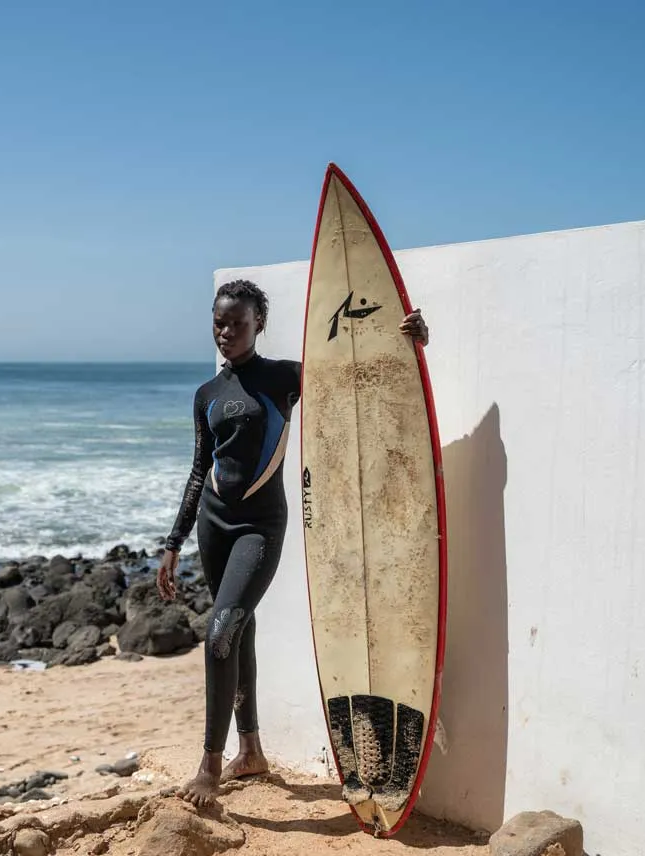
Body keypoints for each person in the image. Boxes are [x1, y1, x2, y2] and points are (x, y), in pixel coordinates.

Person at [156, 278, 429, 808]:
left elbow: (357, 378)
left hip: (260, 526)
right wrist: (173, 542)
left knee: (219, 633)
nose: (226, 331)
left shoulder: (284, 378)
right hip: (214, 524)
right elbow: (198, 471)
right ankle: (251, 750)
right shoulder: (207, 395)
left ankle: (209, 767)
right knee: (239, 632)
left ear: (259, 323)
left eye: (237, 322)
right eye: (219, 321)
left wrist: (409, 341)